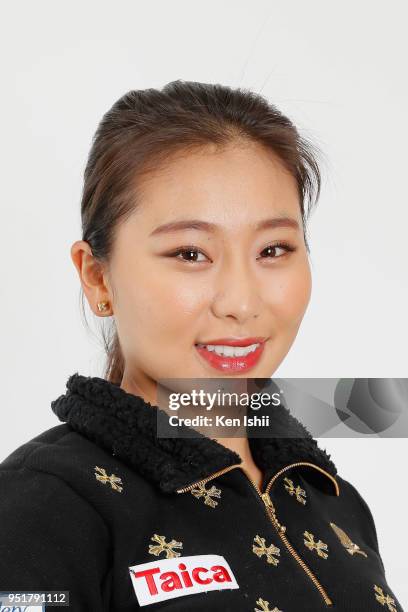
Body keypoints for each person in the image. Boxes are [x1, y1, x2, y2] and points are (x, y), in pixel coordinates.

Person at [0, 81, 403, 611]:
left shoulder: (333, 500)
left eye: (274, 249)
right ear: (97, 277)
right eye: (190, 253)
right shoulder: (42, 503)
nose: (241, 301)